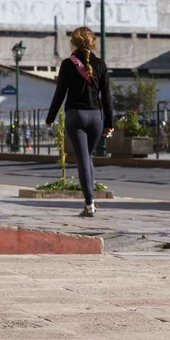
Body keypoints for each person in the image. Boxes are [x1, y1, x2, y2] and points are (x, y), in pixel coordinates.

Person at [45, 27, 113, 217]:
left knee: (83, 157)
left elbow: (60, 94)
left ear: (73, 43)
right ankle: (91, 201)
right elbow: (107, 96)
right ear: (93, 43)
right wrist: (110, 122)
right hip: (96, 117)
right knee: (88, 156)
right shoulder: (100, 64)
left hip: (76, 116)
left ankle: (89, 203)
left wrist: (50, 118)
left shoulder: (68, 64)